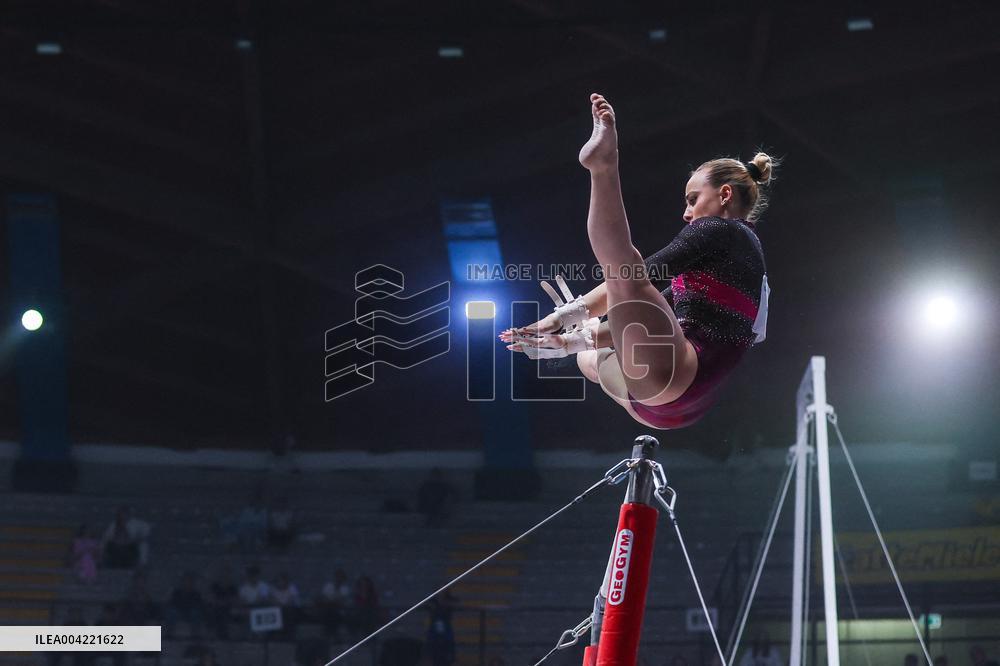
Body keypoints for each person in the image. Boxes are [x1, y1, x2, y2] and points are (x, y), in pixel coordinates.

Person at [503, 93, 773, 430]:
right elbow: (638, 316)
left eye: (693, 200)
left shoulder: (720, 229)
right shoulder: (744, 261)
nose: (687, 213)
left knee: (624, 272)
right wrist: (568, 338)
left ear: (725, 195)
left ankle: (603, 166)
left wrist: (563, 315)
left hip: (679, 374)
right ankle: (569, 342)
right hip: (676, 407)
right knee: (589, 351)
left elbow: (638, 276)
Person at [163, 571, 206, 638]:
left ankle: (195, 635)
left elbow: (199, 605)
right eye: (185, 581)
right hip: (179, 612)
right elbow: (172, 603)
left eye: (189, 581)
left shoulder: (196, 594)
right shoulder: (177, 593)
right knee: (171, 612)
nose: (187, 583)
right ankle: (169, 634)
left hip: (191, 613)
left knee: (195, 613)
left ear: (192, 583)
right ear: (182, 582)